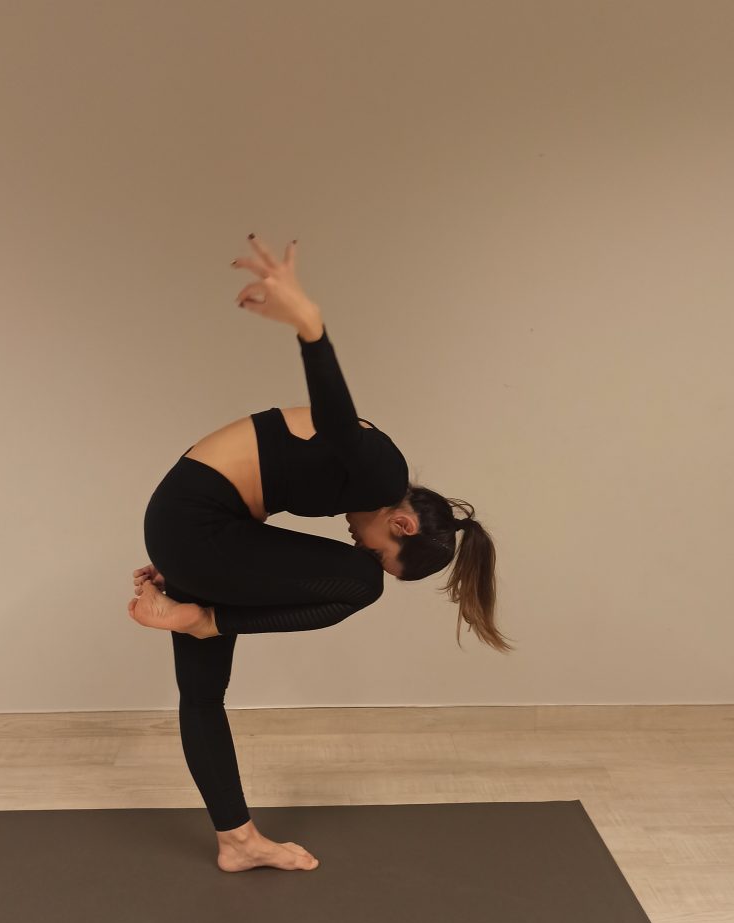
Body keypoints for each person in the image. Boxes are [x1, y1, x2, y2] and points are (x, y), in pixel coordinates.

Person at [130, 235, 513, 874]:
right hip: (197, 526)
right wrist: (310, 325)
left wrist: (194, 565)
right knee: (360, 586)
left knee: (202, 697)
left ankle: (236, 841)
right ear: (401, 522)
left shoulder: (367, 484)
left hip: (195, 527)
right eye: (382, 550)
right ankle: (204, 618)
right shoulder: (381, 472)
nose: (359, 546)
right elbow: (335, 421)